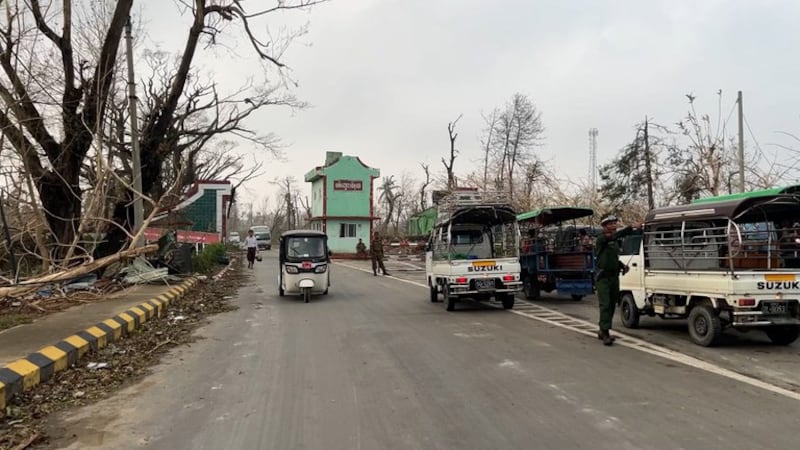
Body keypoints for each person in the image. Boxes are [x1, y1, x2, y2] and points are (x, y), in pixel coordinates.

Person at [594, 215, 642, 346]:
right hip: (603, 278)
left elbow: (613, 258)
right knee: (605, 304)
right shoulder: (602, 238)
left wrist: (622, 266)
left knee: (612, 304)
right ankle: (605, 333)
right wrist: (630, 227)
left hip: (614, 277)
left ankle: (602, 329)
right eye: (611, 223)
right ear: (605, 226)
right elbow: (615, 236)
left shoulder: (614, 242)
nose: (614, 225)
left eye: (615, 222)